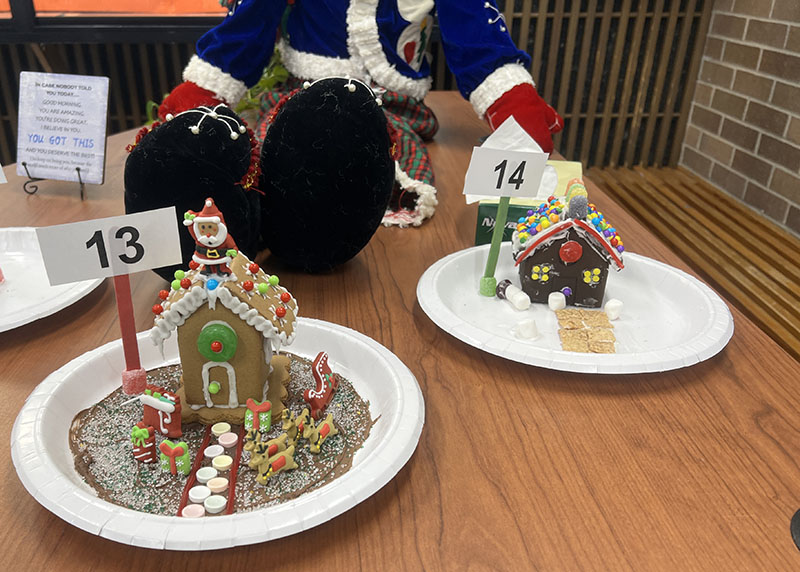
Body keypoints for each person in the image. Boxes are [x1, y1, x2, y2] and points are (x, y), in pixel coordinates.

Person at [158, 0, 564, 227]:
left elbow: (477, 34)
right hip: (302, 95)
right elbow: (250, 23)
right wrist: (206, 87)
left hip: (391, 105)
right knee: (276, 163)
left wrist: (512, 101)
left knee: (365, 168)